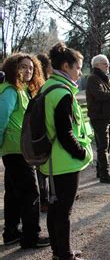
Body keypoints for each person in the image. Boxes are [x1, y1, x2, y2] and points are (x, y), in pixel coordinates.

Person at [40, 43, 94, 260]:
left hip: (52, 161)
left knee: (56, 210)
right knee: (63, 212)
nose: (80, 72)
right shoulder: (62, 93)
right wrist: (81, 152)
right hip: (63, 162)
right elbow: (65, 133)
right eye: (78, 67)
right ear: (66, 66)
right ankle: (65, 258)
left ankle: (59, 252)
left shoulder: (49, 88)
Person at [0, 53, 48, 248]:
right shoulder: (10, 91)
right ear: (13, 69)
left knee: (12, 192)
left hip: (16, 148)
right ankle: (31, 236)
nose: (28, 71)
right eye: (23, 67)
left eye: (31, 68)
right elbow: (1, 120)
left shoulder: (21, 91)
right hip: (16, 149)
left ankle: (11, 232)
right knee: (31, 192)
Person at [86, 54, 110, 184]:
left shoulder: (106, 78)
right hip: (100, 117)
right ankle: (104, 174)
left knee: (106, 146)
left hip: (109, 116)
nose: (107, 66)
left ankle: (101, 170)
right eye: (104, 63)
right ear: (96, 65)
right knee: (103, 147)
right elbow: (100, 95)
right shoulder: (93, 79)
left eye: (107, 63)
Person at [36, 53, 53, 213]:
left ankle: (47, 196)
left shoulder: (45, 83)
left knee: (45, 167)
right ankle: (44, 199)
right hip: (40, 132)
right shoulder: (39, 85)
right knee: (42, 168)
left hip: (44, 130)